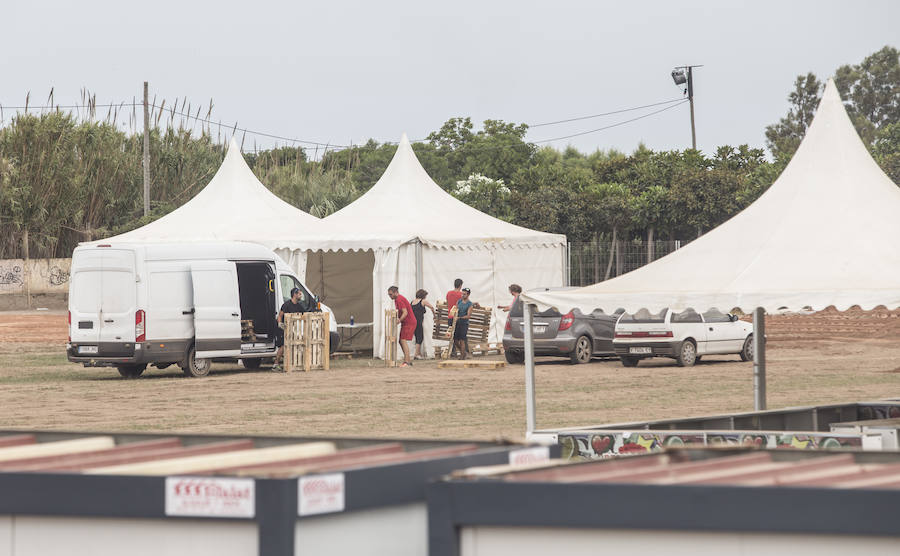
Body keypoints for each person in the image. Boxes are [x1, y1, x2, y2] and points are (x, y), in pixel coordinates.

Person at [272, 287, 306, 371]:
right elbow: (280, 316)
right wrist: (280, 324)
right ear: (294, 294)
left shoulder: (299, 306)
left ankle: (294, 363)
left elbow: (304, 315)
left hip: (294, 330)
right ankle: (275, 364)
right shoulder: (286, 305)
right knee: (283, 346)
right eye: (299, 294)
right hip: (283, 329)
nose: (300, 295)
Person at [388, 286, 417, 367]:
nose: (389, 296)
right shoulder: (397, 299)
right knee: (401, 341)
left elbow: (405, 312)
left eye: (390, 294)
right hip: (407, 322)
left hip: (409, 322)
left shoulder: (399, 299)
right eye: (389, 295)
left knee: (403, 340)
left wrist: (399, 320)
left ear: (395, 292)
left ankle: (407, 362)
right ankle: (407, 360)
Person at [411, 289, 435, 360]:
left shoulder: (412, 302)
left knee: (417, 337)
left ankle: (418, 353)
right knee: (420, 337)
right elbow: (431, 307)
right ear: (423, 295)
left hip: (413, 322)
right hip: (418, 322)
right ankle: (416, 355)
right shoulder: (423, 301)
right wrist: (434, 315)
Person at [453, 287, 474, 359]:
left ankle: (462, 356)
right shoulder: (459, 301)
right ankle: (463, 352)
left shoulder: (469, 304)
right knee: (455, 340)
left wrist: (460, 318)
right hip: (457, 322)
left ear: (468, 295)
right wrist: (454, 314)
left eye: (464, 294)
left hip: (464, 323)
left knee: (462, 340)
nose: (462, 295)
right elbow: (455, 310)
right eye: (462, 294)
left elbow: (468, 316)